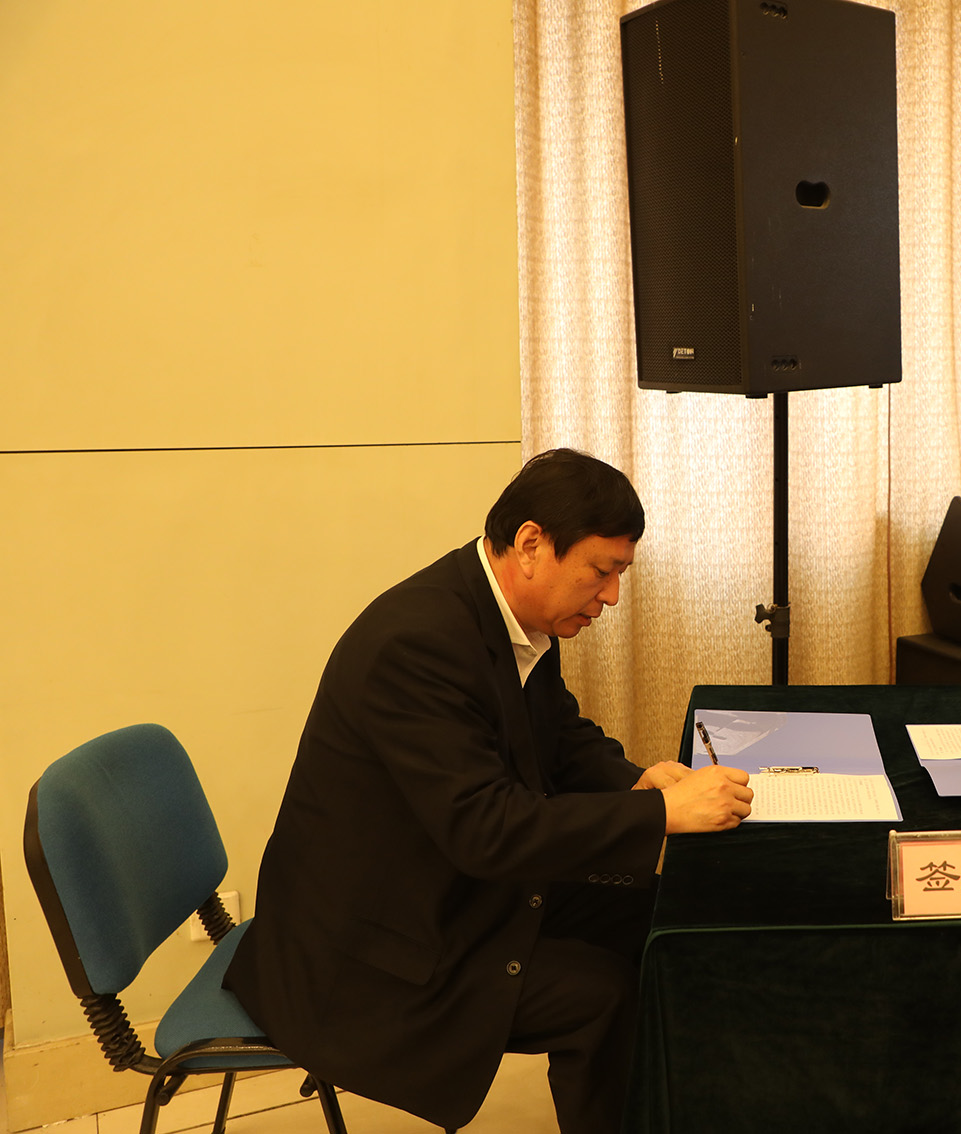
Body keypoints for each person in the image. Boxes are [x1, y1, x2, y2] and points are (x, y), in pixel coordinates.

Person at [225, 448, 753, 1133]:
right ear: (531, 544)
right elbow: (488, 830)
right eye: (602, 571)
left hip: (451, 886)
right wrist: (657, 813)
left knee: (663, 915)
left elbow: (558, 736)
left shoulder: (510, 614)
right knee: (601, 995)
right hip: (372, 948)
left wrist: (636, 780)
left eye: (620, 574)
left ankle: (685, 1106)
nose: (612, 597)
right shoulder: (416, 645)